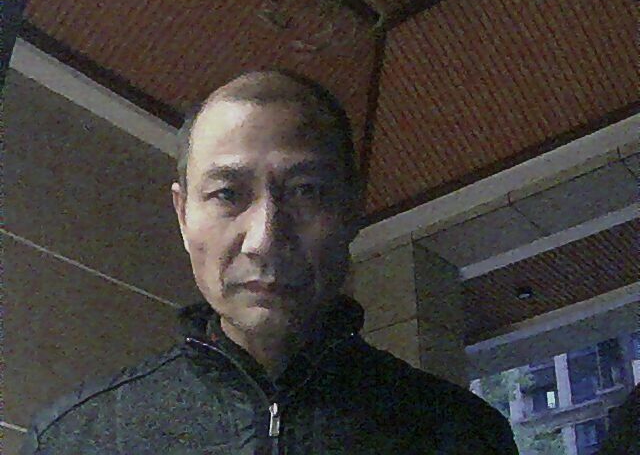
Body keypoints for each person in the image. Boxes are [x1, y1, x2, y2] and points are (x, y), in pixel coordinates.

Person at [20, 70, 517, 454]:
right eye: (227, 193)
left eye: (306, 191)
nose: (264, 239)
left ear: (352, 210)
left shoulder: (463, 436)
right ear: (183, 215)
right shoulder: (74, 439)